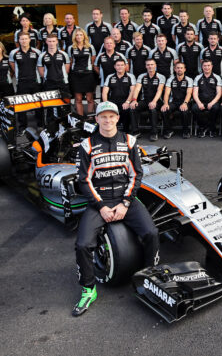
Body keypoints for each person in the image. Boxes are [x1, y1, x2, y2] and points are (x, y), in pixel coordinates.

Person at [73, 101, 159, 317]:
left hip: (125, 198)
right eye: (104, 117)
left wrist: (126, 203)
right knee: (83, 244)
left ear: (118, 118)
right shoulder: (87, 145)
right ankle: (88, 289)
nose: (108, 120)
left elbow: (136, 175)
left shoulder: (130, 141)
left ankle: (152, 277)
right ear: (97, 119)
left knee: (151, 233)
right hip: (99, 201)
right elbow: (83, 180)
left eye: (112, 116)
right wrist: (101, 206)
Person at [9, 31, 42, 128]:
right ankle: (23, 126)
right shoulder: (13, 53)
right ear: (19, 40)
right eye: (22, 39)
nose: (24, 41)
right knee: (22, 105)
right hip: (22, 82)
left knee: (38, 104)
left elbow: (40, 66)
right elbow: (12, 65)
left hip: (35, 81)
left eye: (26, 39)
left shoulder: (37, 52)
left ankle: (40, 125)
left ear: (29, 40)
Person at [132, 58, 165, 141]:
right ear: (146, 66)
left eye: (152, 64)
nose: (150, 66)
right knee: (133, 108)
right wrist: (134, 100)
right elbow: (137, 89)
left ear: (155, 66)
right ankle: (136, 132)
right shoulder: (141, 76)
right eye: (148, 65)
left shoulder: (161, 76)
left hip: (157, 100)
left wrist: (154, 101)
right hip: (145, 100)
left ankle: (154, 133)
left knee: (153, 110)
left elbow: (159, 90)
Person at [102, 59, 136, 133]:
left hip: (125, 101)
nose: (120, 67)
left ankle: (125, 131)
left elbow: (133, 91)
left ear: (125, 66)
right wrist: (106, 103)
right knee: (108, 111)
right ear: (115, 67)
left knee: (126, 110)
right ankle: (111, 130)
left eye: (122, 65)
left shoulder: (130, 76)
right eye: (118, 65)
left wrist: (127, 102)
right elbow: (104, 91)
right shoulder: (110, 77)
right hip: (113, 101)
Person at [68, 28, 97, 115]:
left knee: (89, 99)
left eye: (81, 35)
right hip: (76, 75)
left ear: (84, 36)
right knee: (78, 99)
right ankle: (80, 119)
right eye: (77, 35)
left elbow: (93, 62)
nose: (79, 37)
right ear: (74, 37)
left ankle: (90, 118)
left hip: (88, 75)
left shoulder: (90, 47)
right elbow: (70, 62)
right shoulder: (71, 48)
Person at [161, 62, 193, 139]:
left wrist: (185, 103)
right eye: (178, 68)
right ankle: (168, 131)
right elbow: (166, 93)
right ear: (175, 69)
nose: (179, 69)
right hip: (174, 102)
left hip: (185, 101)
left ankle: (186, 131)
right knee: (164, 110)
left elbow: (189, 93)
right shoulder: (170, 80)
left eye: (181, 68)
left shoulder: (189, 79)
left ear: (184, 69)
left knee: (184, 111)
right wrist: (165, 103)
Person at [192, 59, 222, 138]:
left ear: (212, 66)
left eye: (208, 65)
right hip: (201, 101)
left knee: (215, 108)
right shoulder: (198, 78)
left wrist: (212, 103)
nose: (207, 67)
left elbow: (219, 93)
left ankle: (212, 128)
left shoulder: (217, 77)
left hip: (213, 101)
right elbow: (194, 93)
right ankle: (203, 127)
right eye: (205, 66)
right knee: (195, 108)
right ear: (202, 67)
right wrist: (199, 103)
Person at [37, 34, 71, 103]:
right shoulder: (42, 56)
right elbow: (41, 72)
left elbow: (66, 70)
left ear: (57, 42)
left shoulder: (64, 54)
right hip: (49, 83)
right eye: (49, 41)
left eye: (53, 41)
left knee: (65, 104)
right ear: (46, 42)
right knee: (50, 104)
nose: (51, 43)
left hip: (62, 82)